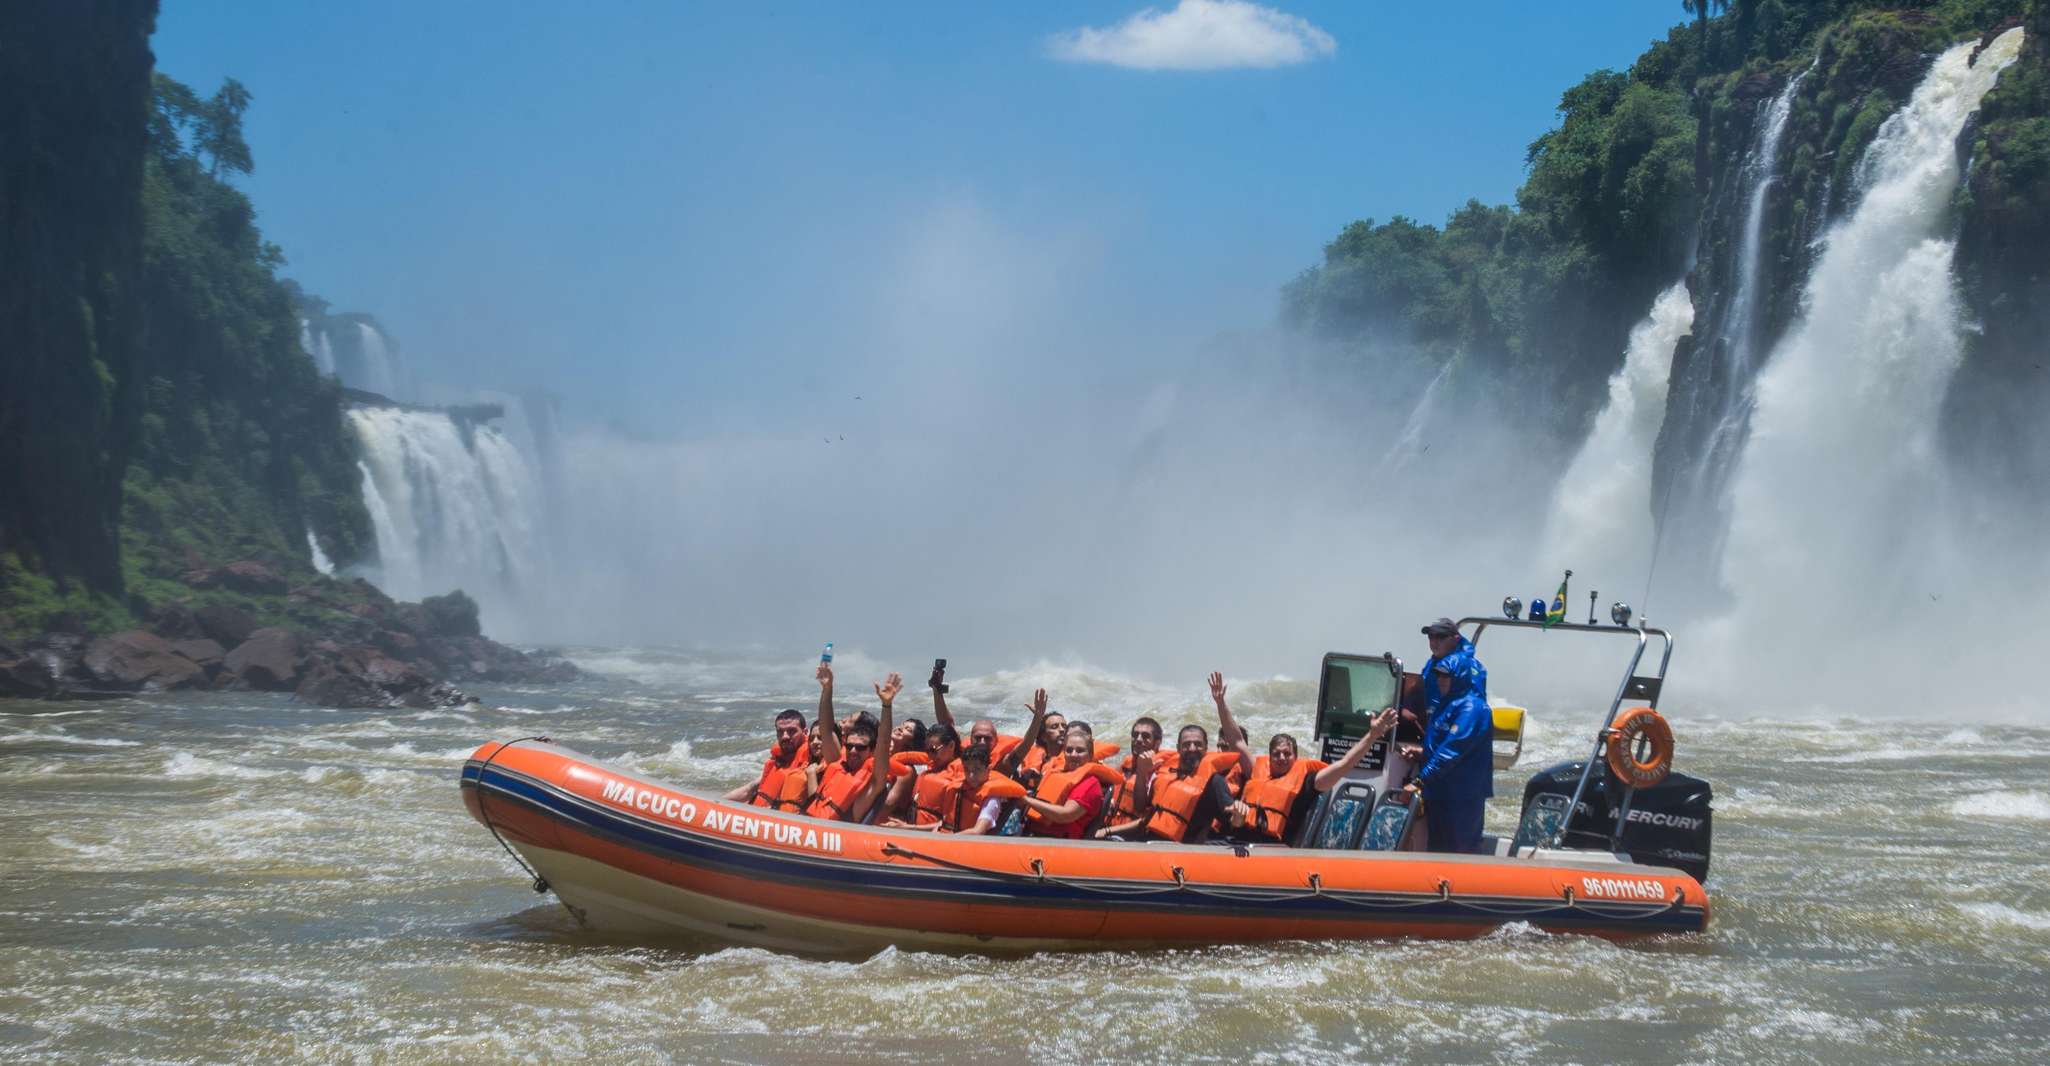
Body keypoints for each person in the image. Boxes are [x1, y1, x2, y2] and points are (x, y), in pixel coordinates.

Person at [1226, 711, 1396, 844]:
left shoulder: (1308, 783)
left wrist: (1372, 735)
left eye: (1287, 754)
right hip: (1241, 836)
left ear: (1296, 757)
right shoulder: (1257, 771)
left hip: (1270, 847)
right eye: (1276, 754)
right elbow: (1237, 742)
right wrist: (1220, 702)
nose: (1282, 758)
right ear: (1269, 758)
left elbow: (1344, 764)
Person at [1402, 659, 1493, 853]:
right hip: (1439, 793)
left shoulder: (1472, 708)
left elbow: (1451, 752)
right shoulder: (1445, 705)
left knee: (1461, 852)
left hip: (1463, 797)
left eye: (1446, 675)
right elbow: (1439, 746)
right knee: (1437, 851)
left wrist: (1419, 782)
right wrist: (1422, 754)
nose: (1440, 680)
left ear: (1460, 676)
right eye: (1438, 675)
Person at [805, 671, 901, 823]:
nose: (854, 751)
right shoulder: (837, 763)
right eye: (849, 746)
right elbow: (826, 730)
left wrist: (887, 705)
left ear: (871, 751)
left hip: (836, 836)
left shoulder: (873, 782)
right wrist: (827, 688)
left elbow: (883, 742)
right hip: (808, 825)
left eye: (860, 747)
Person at [1142, 722, 1251, 844]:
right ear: (1178, 748)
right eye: (1186, 744)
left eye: (1198, 744)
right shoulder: (1164, 773)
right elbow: (1142, 808)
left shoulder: (1214, 782)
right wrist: (1142, 773)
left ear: (1206, 748)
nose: (1192, 748)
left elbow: (1233, 823)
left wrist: (1239, 816)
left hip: (1184, 850)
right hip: (1150, 844)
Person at [1019, 721, 1119, 838]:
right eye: (1069, 750)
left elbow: (1065, 815)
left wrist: (1026, 800)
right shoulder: (1058, 773)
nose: (1073, 754)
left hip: (1060, 843)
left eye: (1080, 750)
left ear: (1091, 754)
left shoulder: (1090, 784)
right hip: (1033, 834)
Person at [900, 746, 1024, 833]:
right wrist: (906, 827)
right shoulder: (959, 788)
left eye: (977, 770)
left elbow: (977, 832)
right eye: (967, 769)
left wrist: (941, 842)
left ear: (988, 769)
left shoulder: (991, 800)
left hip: (963, 847)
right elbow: (945, 825)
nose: (971, 775)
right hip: (945, 837)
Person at [723, 693, 812, 810]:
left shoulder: (813, 759)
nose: (785, 736)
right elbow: (749, 789)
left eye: (791, 731)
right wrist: (716, 803)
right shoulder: (777, 762)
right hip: (760, 817)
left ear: (805, 732)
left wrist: (827, 689)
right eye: (780, 732)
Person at [1095, 716, 1162, 840]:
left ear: (1157, 743)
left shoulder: (1158, 775)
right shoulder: (1125, 766)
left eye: (1145, 736)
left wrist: (1106, 831)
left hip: (1129, 839)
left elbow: (1145, 819)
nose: (1138, 739)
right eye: (1135, 735)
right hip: (1105, 828)